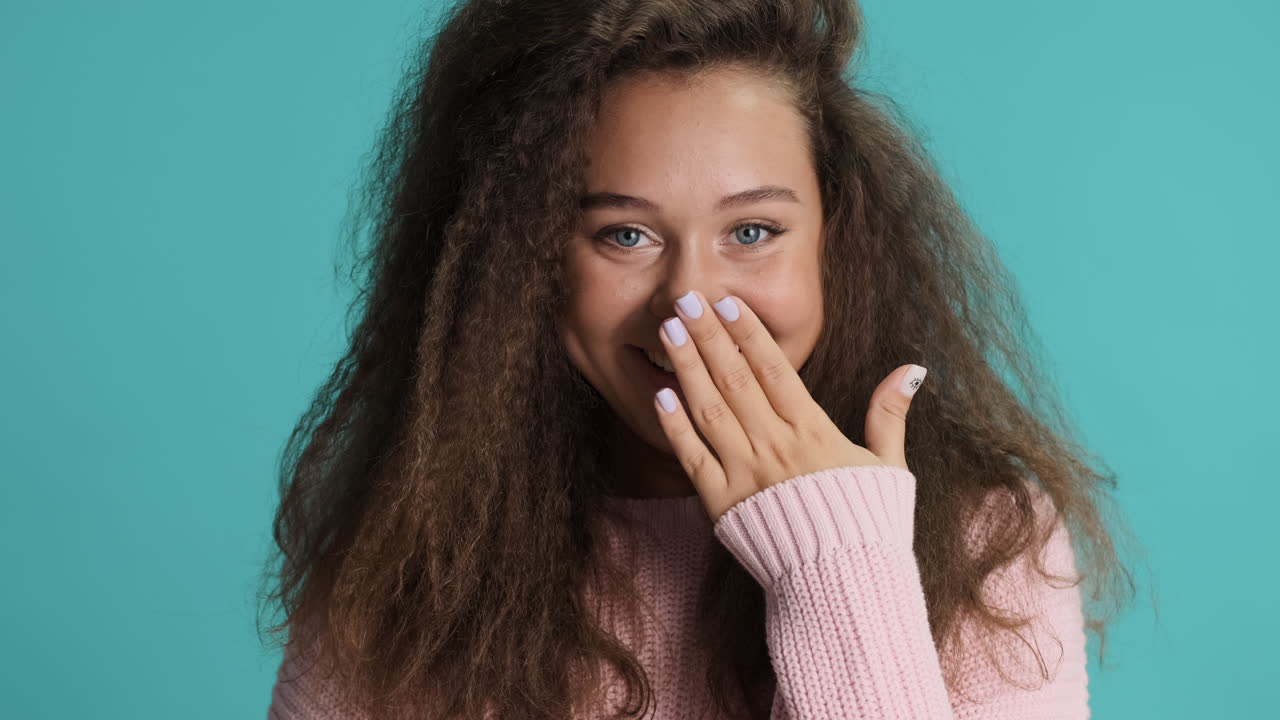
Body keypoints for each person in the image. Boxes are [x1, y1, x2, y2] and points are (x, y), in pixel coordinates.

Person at [259, 1, 1137, 718]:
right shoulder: (407, 554)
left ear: (837, 243)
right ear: (525, 262)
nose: (690, 300)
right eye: (624, 234)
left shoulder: (990, 535)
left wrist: (837, 564)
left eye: (752, 231)